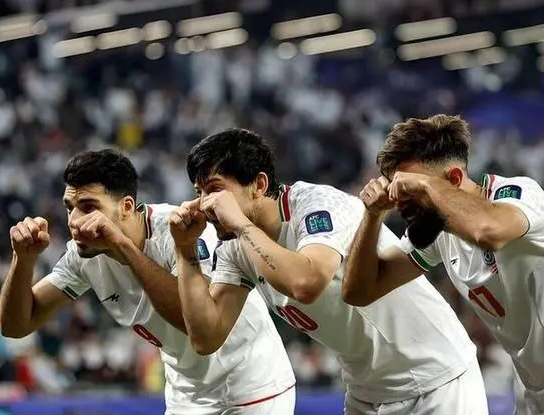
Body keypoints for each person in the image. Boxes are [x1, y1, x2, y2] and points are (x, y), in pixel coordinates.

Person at [169, 128, 488, 414]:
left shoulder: (318, 205)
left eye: (214, 189)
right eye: (199, 192)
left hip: (436, 378)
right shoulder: (235, 246)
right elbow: (206, 338)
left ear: (259, 184)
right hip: (367, 391)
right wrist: (185, 250)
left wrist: (240, 223)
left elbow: (307, 283)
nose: (205, 204)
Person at [0, 149, 296, 415]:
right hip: (187, 396)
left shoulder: (183, 231)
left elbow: (194, 324)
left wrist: (123, 248)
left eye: (88, 207)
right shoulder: (83, 255)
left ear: (127, 207)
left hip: (253, 384)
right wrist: (23, 260)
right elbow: (16, 326)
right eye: (69, 207)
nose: (74, 221)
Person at [343, 114, 544, 415]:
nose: (401, 204)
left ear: (453, 179)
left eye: (410, 190)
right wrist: (372, 215)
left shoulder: (517, 195)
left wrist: (426, 185)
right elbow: (359, 291)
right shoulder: (441, 233)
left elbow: (489, 231)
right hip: (540, 402)